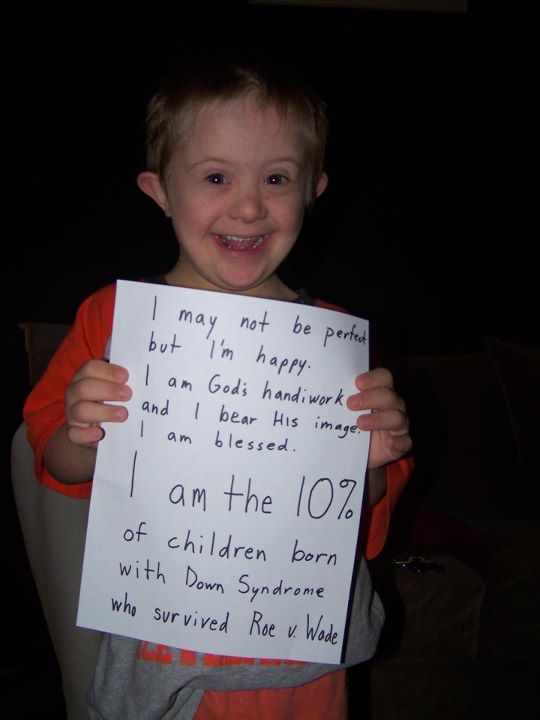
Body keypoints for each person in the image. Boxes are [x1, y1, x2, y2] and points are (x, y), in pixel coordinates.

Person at [24, 52, 413, 720]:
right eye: (215, 177)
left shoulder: (336, 344)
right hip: (162, 660)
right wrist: (82, 434)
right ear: (160, 191)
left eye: (277, 178)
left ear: (313, 190)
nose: (249, 206)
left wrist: (370, 461)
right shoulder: (113, 321)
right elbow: (54, 463)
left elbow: (365, 505)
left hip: (300, 667)